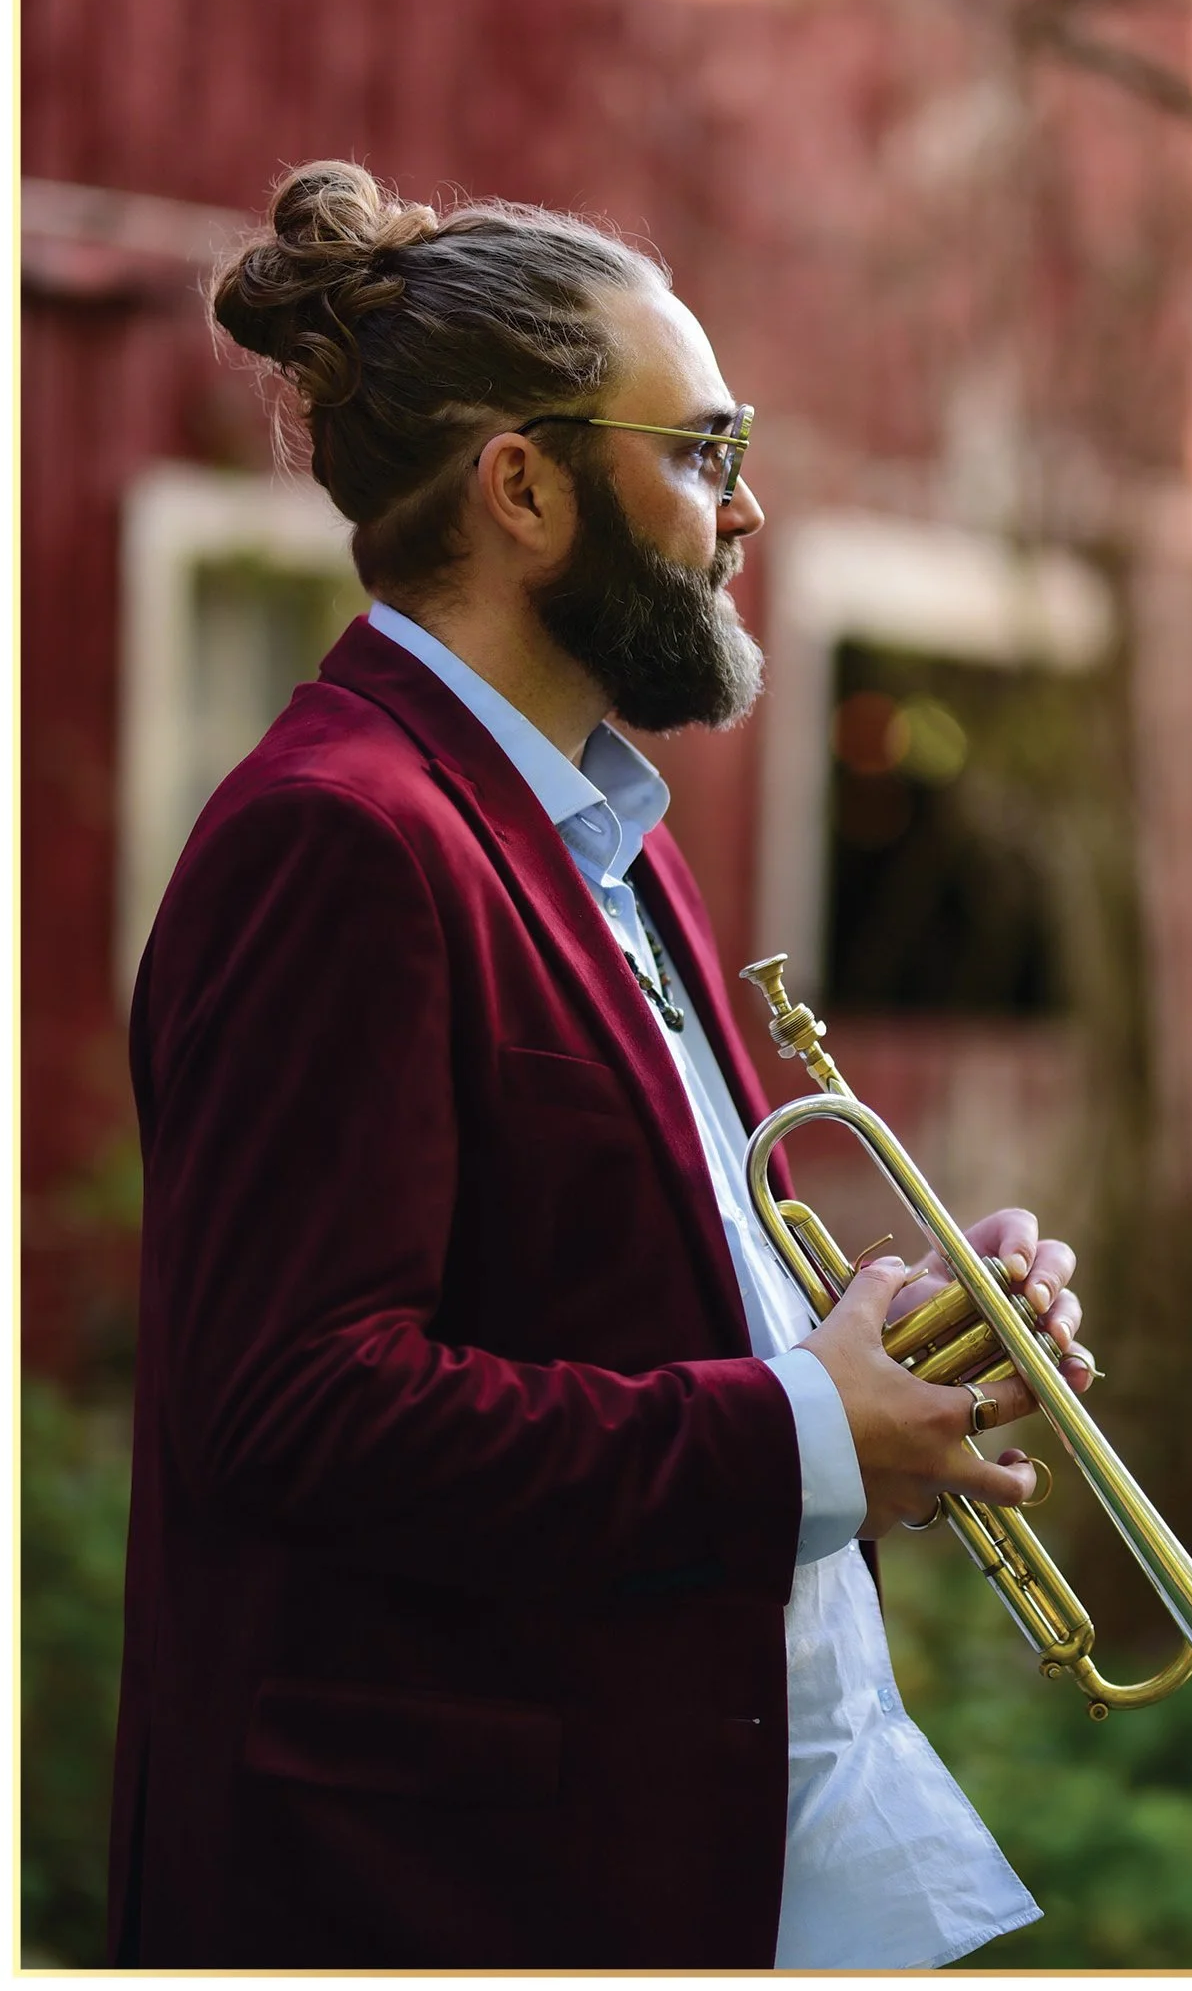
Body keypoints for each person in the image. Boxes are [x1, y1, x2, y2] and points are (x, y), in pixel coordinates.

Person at [107, 159, 1096, 1970]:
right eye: (704, 450)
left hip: (706, 1818)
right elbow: (293, 1407)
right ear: (525, 486)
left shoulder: (605, 839)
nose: (747, 507)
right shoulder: (338, 837)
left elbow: (657, 1302)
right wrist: (803, 1434)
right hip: (449, 1895)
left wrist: (919, 1338)